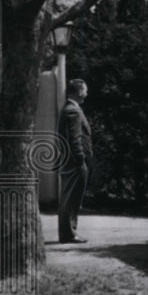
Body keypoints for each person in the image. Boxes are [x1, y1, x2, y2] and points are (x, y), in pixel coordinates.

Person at [57, 78, 92, 244]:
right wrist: (80, 160)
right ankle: (69, 234)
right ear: (78, 92)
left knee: (68, 198)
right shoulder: (73, 111)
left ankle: (67, 233)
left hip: (68, 161)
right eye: (84, 90)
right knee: (72, 198)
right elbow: (74, 139)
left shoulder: (67, 108)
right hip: (74, 162)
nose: (86, 93)